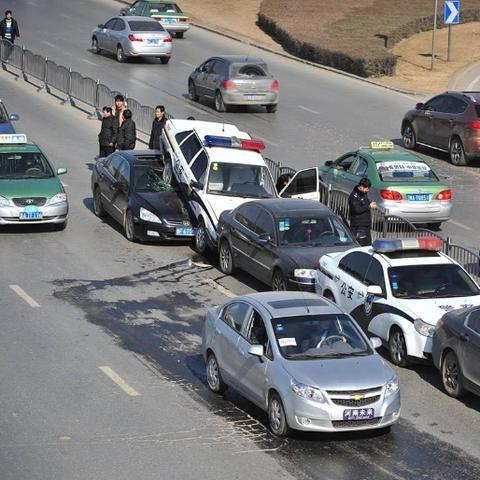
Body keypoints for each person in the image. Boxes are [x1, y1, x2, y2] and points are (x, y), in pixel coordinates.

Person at [348, 177, 376, 246]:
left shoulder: (363, 193)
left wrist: (370, 203)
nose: (368, 190)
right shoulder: (354, 196)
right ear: (362, 187)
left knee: (368, 245)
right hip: (358, 226)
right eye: (367, 188)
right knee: (360, 245)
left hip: (365, 225)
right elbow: (356, 209)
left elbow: (365, 202)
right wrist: (369, 206)